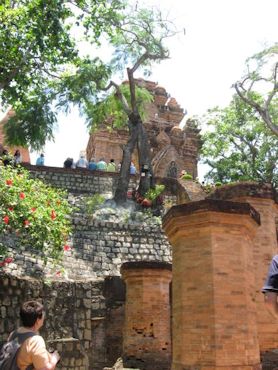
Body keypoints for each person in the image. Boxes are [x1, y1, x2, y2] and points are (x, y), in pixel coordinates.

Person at [9, 300, 60, 369]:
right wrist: (55, 358)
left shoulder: (13, 334)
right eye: (42, 316)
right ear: (37, 320)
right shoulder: (35, 341)